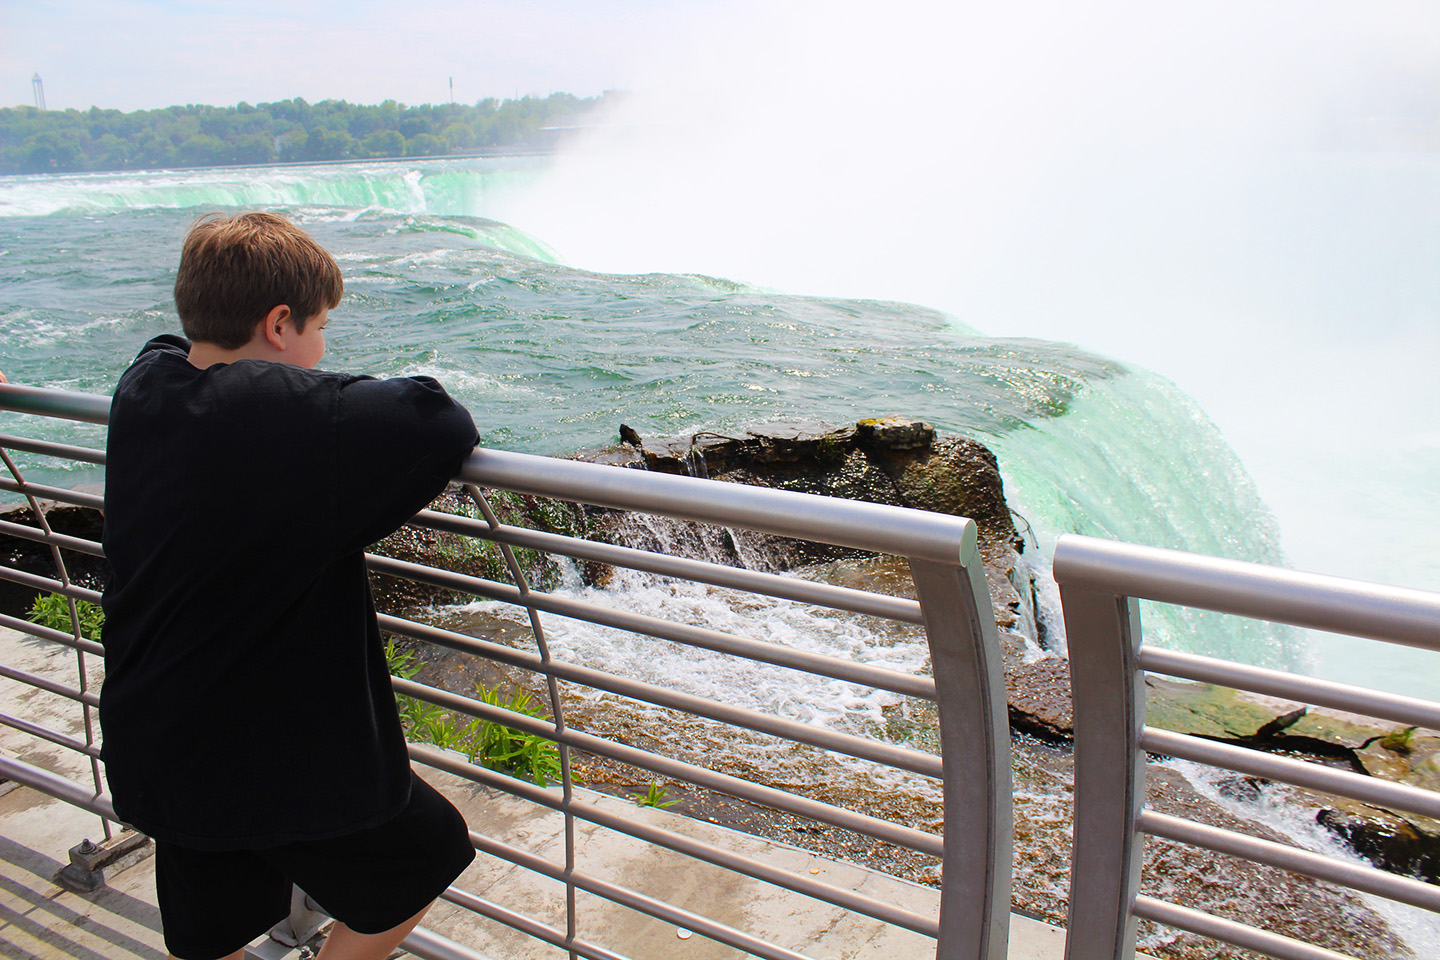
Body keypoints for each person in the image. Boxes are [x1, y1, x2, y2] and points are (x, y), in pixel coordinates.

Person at [100, 212, 479, 960]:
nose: (324, 349)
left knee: (210, 930)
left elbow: (171, 347)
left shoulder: (145, 384)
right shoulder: (287, 419)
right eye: (321, 328)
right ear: (279, 325)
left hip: (157, 733)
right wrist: (313, 391)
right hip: (265, 761)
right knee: (425, 855)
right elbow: (437, 419)